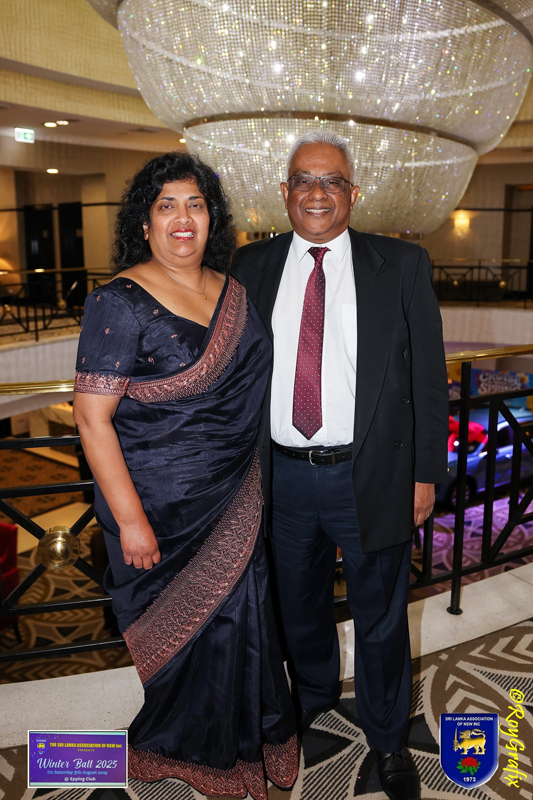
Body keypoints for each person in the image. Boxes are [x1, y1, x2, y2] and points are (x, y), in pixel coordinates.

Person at [72, 152, 298, 800]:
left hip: (236, 494)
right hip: (162, 509)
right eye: (166, 204)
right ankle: (196, 750)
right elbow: (91, 418)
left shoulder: (234, 292)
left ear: (211, 219)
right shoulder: (119, 302)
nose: (182, 217)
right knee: (198, 639)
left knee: (246, 627)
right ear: (144, 223)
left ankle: (254, 740)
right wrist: (131, 521)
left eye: (195, 204)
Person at [231, 130, 449, 800]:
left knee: (381, 617)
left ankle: (387, 738)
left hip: (374, 474)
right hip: (282, 477)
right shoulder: (250, 266)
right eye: (304, 179)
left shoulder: (401, 263)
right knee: (294, 607)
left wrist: (425, 474)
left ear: (353, 193)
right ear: (284, 192)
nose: (317, 193)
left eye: (331, 181)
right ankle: (314, 697)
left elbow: (429, 378)